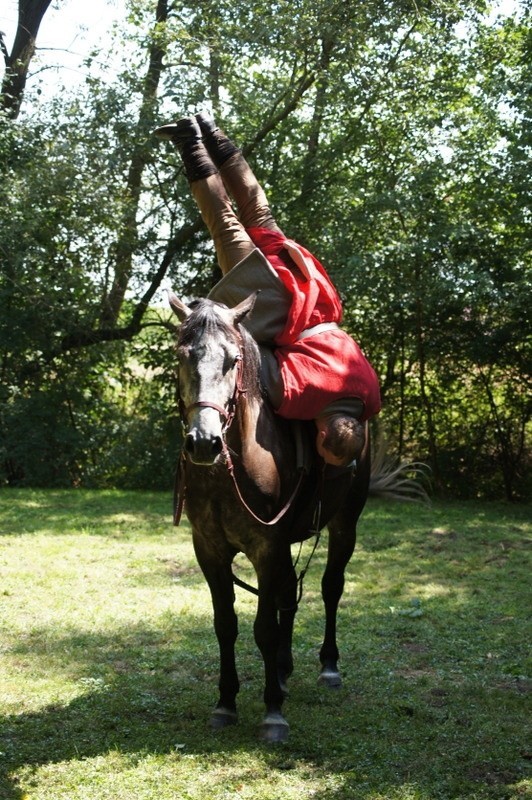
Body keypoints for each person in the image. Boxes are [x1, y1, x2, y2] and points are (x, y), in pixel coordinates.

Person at [154, 113, 381, 467]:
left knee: (257, 210)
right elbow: (253, 357)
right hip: (277, 304)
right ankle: (189, 141)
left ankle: (212, 132)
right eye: (325, 456)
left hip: (312, 294)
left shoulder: (370, 396)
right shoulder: (299, 399)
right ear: (321, 435)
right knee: (225, 223)